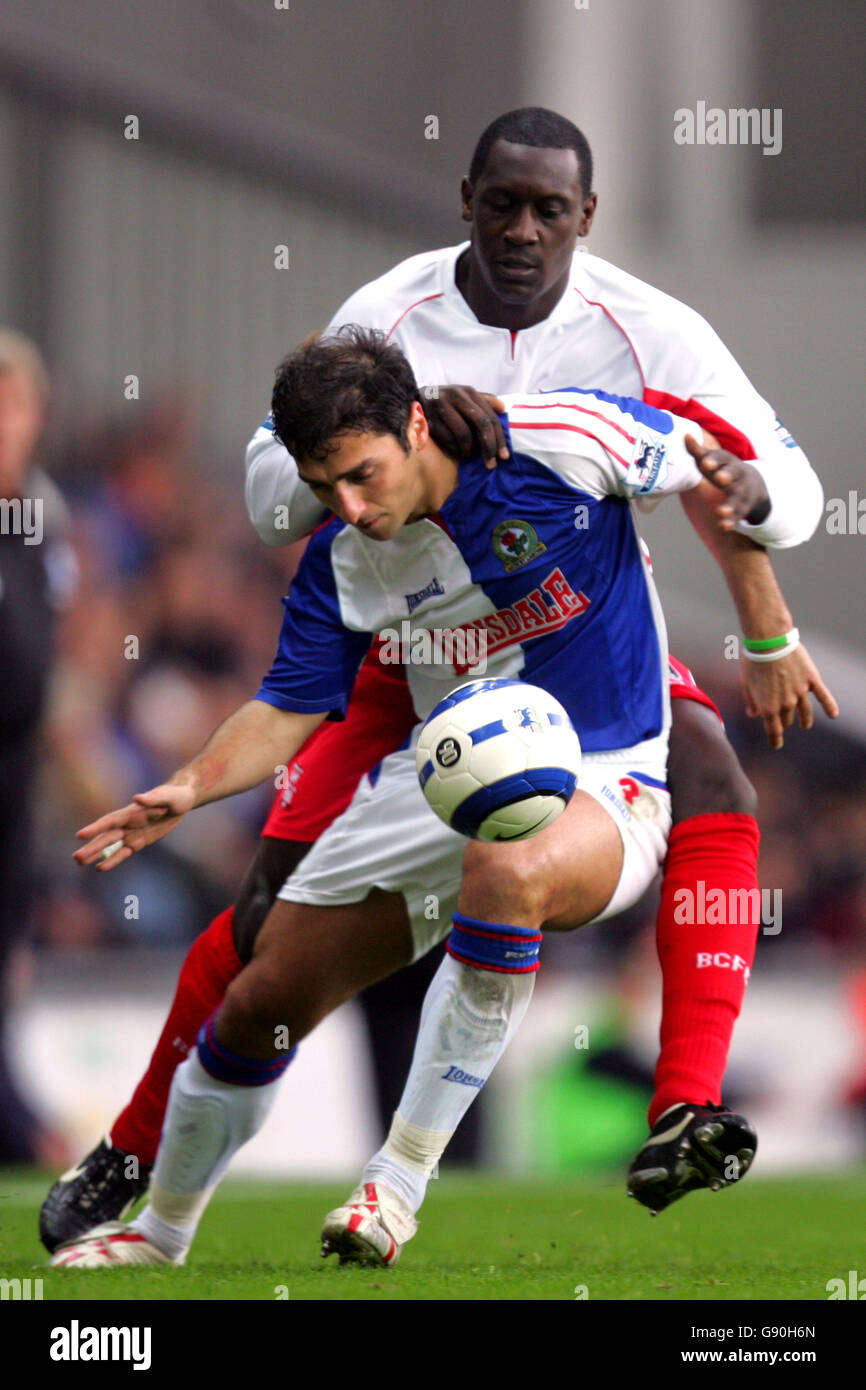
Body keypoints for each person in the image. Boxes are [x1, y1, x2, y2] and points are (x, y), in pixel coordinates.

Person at [40, 107, 835, 1250]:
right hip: (394, 645)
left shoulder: (637, 349)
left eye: (546, 210)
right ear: (462, 199)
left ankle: (680, 1107)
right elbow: (278, 493)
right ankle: (135, 1152)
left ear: (584, 219)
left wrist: (764, 628)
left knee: (709, 772)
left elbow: (762, 484)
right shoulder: (384, 324)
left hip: (551, 638)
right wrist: (377, 484)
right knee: (266, 918)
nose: (520, 229)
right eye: (499, 203)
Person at [0, 328, 76, 1165]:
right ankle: (27, 1134)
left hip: (17, 791)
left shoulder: (42, 516)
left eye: (11, 405)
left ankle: (23, 1128)